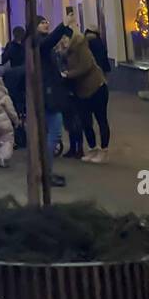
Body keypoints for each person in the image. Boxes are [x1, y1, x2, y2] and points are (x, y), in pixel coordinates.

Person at [34, 15, 73, 187]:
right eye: (42, 23)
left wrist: (67, 28)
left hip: (50, 93)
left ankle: (45, 171)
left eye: (46, 22)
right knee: (54, 134)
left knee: (50, 134)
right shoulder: (39, 43)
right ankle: (46, 173)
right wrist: (63, 24)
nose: (46, 24)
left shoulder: (40, 43)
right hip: (49, 95)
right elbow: (48, 42)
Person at [64, 29, 111, 162]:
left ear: (70, 38)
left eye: (65, 39)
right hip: (82, 91)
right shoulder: (67, 52)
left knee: (101, 119)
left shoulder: (80, 46)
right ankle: (92, 149)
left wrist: (68, 74)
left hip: (97, 87)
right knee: (85, 121)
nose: (63, 42)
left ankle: (104, 150)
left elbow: (86, 66)